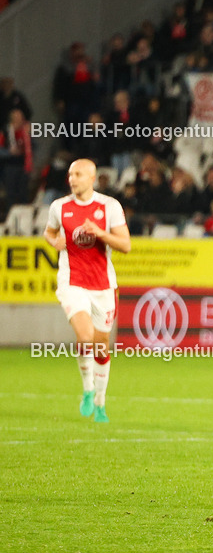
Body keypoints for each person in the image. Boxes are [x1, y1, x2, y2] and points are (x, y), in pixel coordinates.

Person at [42, 159, 131, 422]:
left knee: (101, 346)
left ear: (92, 178)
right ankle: (88, 390)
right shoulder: (59, 207)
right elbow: (49, 232)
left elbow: (125, 245)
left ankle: (101, 402)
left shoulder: (109, 206)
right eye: (70, 174)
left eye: (78, 174)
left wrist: (100, 233)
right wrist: (54, 241)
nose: (72, 178)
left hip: (103, 285)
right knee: (85, 336)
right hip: (72, 281)